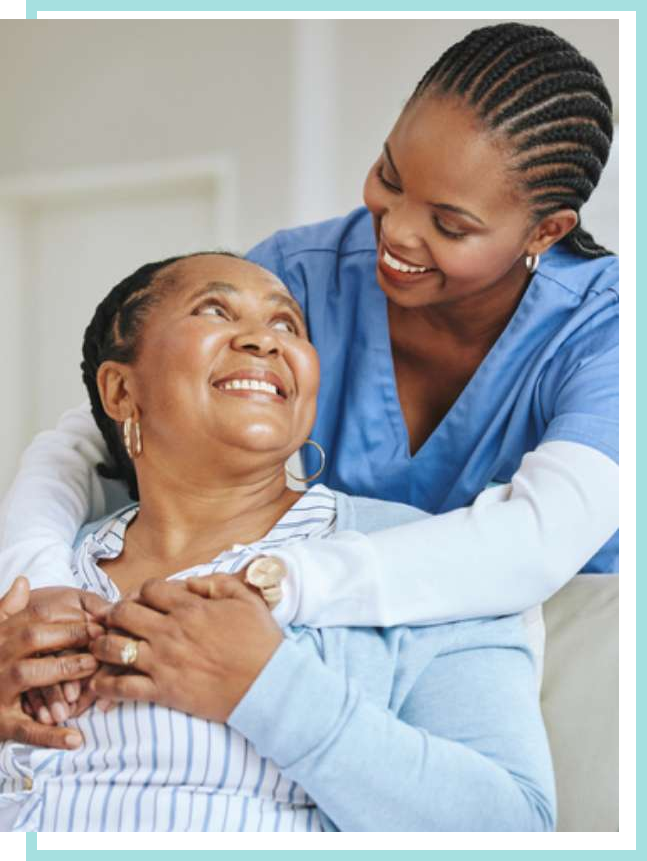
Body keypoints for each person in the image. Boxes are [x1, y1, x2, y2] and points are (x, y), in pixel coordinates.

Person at [0, 22, 618, 726]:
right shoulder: (296, 278)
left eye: (449, 224)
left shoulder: (605, 331)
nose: (396, 233)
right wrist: (34, 584)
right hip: (322, 653)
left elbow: (535, 540)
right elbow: (95, 431)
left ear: (545, 230)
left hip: (549, 652)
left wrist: (275, 580)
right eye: (389, 177)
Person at [0, 252, 555, 832]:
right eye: (214, 309)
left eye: (286, 325)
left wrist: (265, 686)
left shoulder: (423, 554)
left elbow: (515, 825)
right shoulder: (41, 571)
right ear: (119, 391)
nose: (265, 342)